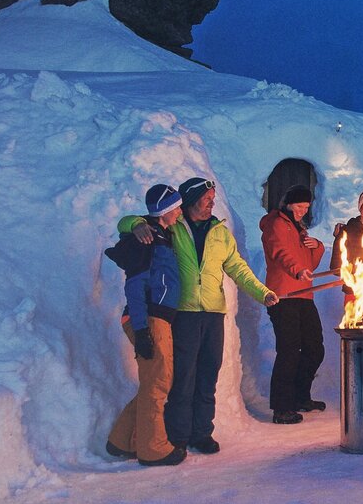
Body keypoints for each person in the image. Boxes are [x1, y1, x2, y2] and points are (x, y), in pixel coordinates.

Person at [120, 177, 278, 454]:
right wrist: (136, 224)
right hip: (183, 313)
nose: (211, 205)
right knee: (183, 376)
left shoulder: (220, 232)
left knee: (208, 373)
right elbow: (129, 221)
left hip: (213, 313)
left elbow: (238, 268)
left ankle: (202, 432)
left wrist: (262, 293)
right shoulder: (173, 227)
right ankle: (178, 435)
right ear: (191, 202)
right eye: (207, 200)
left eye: (213, 200)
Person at [104, 184, 186, 467]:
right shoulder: (149, 239)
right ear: (165, 211)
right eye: (176, 208)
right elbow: (136, 285)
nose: (180, 212)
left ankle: (121, 440)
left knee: (153, 382)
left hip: (155, 317)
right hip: (149, 318)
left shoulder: (161, 234)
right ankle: (154, 449)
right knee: (158, 384)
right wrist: (141, 330)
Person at [260, 185, 326, 425]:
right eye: (299, 207)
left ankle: (300, 397)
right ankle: (281, 407)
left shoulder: (299, 228)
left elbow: (311, 265)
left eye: (306, 208)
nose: (302, 211)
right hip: (283, 295)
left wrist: (316, 246)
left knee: (314, 348)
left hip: (304, 294)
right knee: (289, 350)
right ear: (287, 204)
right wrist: (297, 270)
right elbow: (280, 252)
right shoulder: (275, 223)